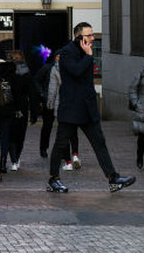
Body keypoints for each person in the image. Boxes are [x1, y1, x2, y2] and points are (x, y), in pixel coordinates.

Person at [47, 22, 135, 194]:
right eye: (89, 35)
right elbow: (76, 71)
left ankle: (113, 178)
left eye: (92, 35)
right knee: (61, 144)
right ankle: (53, 179)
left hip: (87, 109)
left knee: (99, 143)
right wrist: (88, 56)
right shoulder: (67, 52)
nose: (93, 38)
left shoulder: (86, 51)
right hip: (71, 109)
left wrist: (88, 55)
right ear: (79, 37)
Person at [0, 49, 33, 172]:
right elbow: (31, 92)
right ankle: (16, 159)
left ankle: (12, 159)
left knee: (10, 135)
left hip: (8, 106)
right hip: (21, 106)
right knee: (20, 135)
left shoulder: (6, 72)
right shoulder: (26, 72)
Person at [46, 53, 81, 171]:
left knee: (64, 134)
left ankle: (68, 161)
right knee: (74, 132)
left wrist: (50, 104)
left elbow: (52, 88)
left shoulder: (55, 69)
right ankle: (75, 155)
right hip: (75, 104)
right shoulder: (75, 67)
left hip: (62, 104)